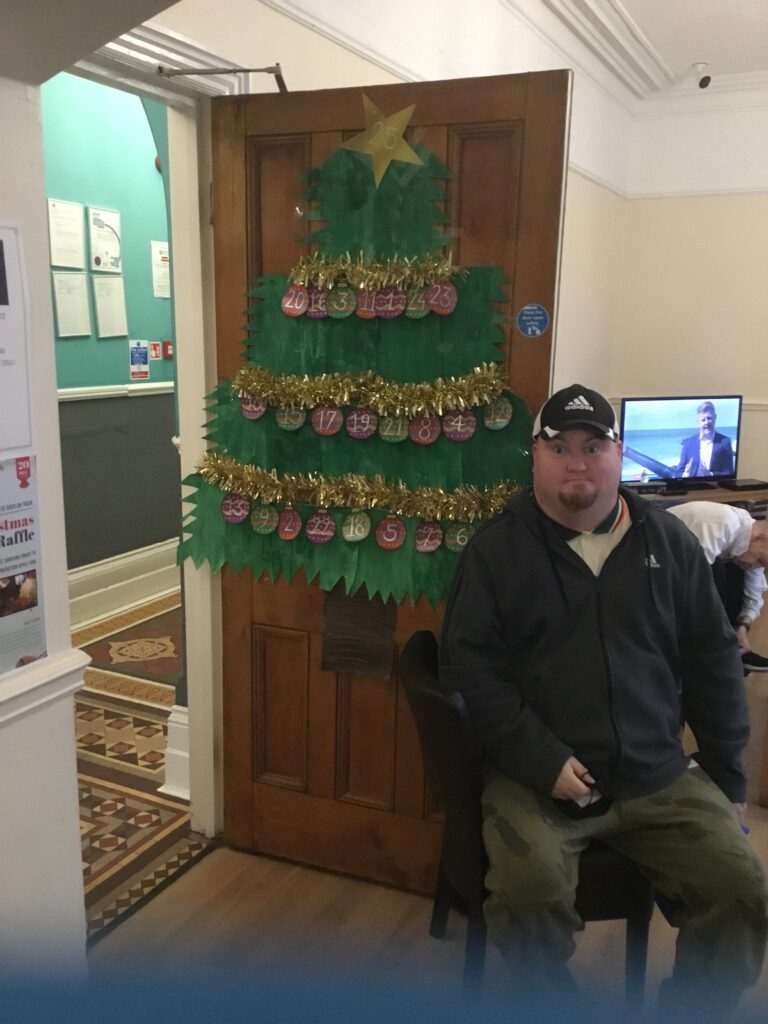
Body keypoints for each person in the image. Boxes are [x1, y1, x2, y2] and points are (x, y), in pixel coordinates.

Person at [440, 383, 768, 1018]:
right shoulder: (494, 552)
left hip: (656, 772)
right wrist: (541, 759)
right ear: (535, 457)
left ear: (619, 455)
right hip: (535, 779)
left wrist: (728, 776)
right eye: (558, 447)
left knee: (742, 887)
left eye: (593, 446)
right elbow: (470, 673)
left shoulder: (668, 543)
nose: (577, 462)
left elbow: (712, 663)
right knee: (528, 896)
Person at [668, 501, 768, 674]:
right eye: (761, 560)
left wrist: (743, 627)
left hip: (680, 570)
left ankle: (731, 648)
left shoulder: (748, 539)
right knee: (717, 572)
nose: (757, 565)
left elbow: (754, 591)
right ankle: (711, 654)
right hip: (650, 566)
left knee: (740, 569)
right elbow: (694, 585)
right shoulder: (722, 524)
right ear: (759, 537)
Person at [676, 400, 734, 478]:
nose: (707, 422)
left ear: (715, 417)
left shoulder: (725, 442)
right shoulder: (688, 443)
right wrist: (685, 475)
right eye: (703, 420)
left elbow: (729, 472)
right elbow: (679, 472)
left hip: (715, 484)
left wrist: (710, 474)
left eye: (709, 418)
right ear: (698, 422)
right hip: (691, 485)